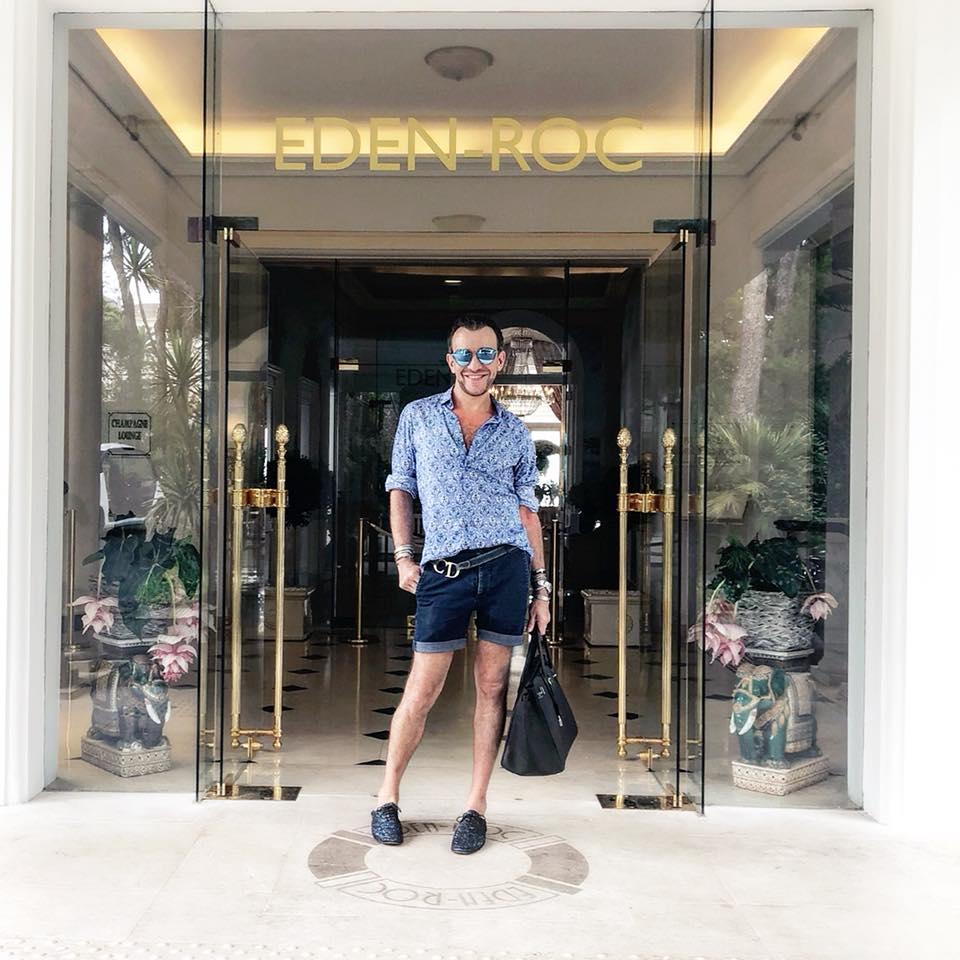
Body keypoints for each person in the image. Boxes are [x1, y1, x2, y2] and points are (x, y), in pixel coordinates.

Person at [371, 314, 552, 855]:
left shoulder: (515, 431)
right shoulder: (418, 417)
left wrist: (542, 588)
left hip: (505, 569)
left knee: (492, 688)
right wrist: (404, 556)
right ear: (450, 360)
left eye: (486, 353)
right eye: (465, 354)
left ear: (500, 360)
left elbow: (528, 513)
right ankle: (386, 797)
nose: (476, 364)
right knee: (422, 689)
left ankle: (475, 806)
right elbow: (401, 488)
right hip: (443, 571)